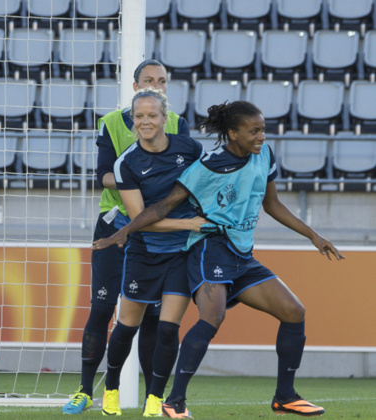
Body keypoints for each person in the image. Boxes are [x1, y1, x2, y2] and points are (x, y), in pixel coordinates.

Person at [93, 101, 345, 418]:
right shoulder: (207, 166)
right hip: (209, 248)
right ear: (232, 134)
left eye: (263, 129)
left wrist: (313, 236)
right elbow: (163, 206)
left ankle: (285, 396)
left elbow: (273, 204)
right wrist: (125, 231)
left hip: (242, 255)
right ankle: (175, 401)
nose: (261, 137)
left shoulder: (264, 155)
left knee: (294, 311)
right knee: (212, 318)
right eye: (254, 131)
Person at [63, 59, 190, 415]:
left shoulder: (178, 124)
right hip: (115, 224)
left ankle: (155, 398)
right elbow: (103, 175)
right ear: (135, 87)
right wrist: (135, 184)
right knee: (102, 308)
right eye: (149, 80)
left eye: (162, 80)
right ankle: (86, 390)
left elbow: (190, 177)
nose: (157, 85)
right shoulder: (110, 123)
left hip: (158, 233)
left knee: (152, 317)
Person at [98, 87, 206, 417]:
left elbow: (205, 189)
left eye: (152, 115)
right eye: (139, 116)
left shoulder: (191, 149)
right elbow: (139, 220)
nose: (146, 121)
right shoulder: (126, 163)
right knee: (127, 326)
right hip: (144, 253)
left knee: (168, 328)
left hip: (181, 255)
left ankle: (155, 399)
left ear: (164, 118)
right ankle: (111, 388)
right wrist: (190, 225)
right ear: (133, 120)